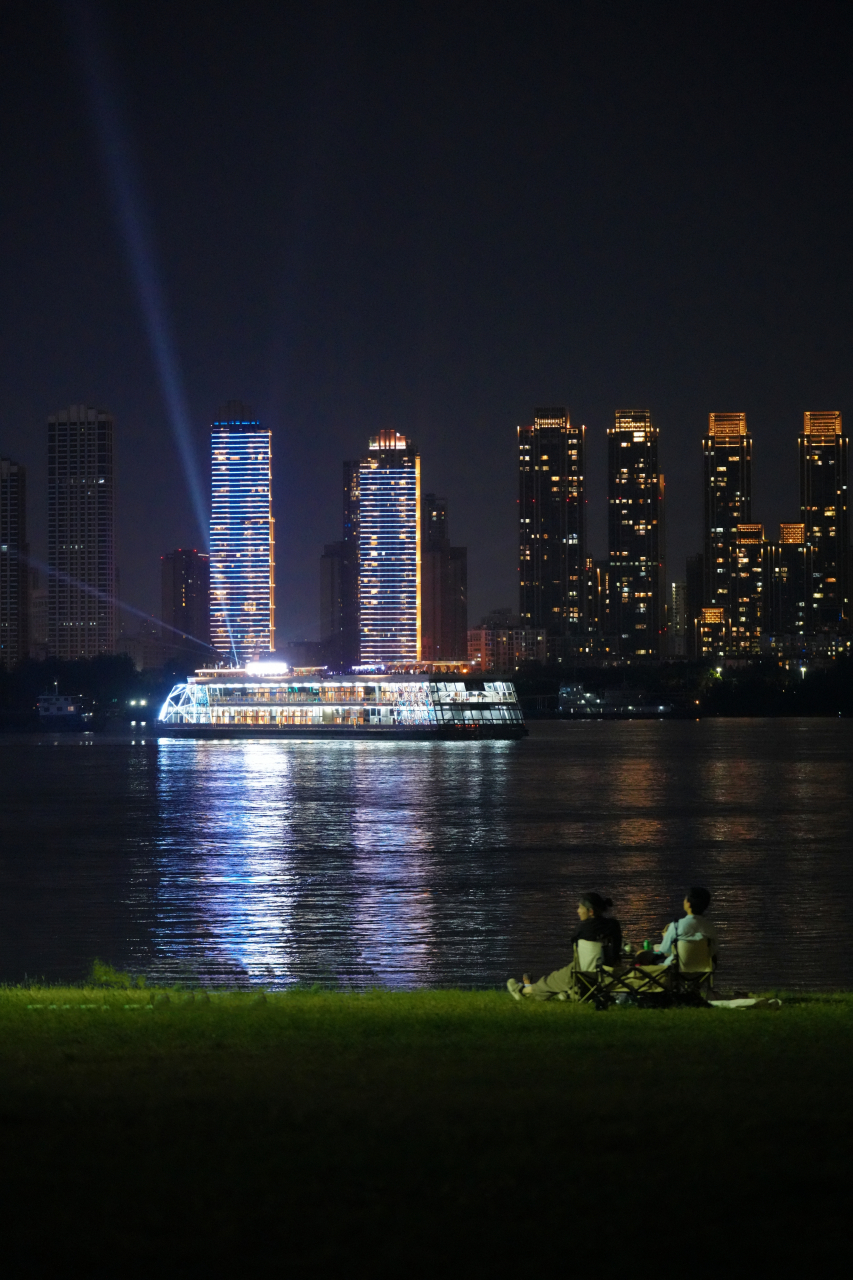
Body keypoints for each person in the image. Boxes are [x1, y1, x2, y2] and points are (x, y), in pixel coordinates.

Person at [507, 893, 622, 1001]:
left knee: (552, 980)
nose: (578, 911)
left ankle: (522, 991)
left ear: (590, 911)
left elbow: (574, 944)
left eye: (580, 908)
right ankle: (567, 993)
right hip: (608, 974)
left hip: (585, 975)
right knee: (560, 977)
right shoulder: (613, 925)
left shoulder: (583, 928)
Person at [634, 886, 718, 967]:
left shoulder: (677, 926)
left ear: (688, 904)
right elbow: (713, 951)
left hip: (676, 968)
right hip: (704, 969)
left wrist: (666, 937)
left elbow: (664, 950)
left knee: (642, 956)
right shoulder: (710, 928)